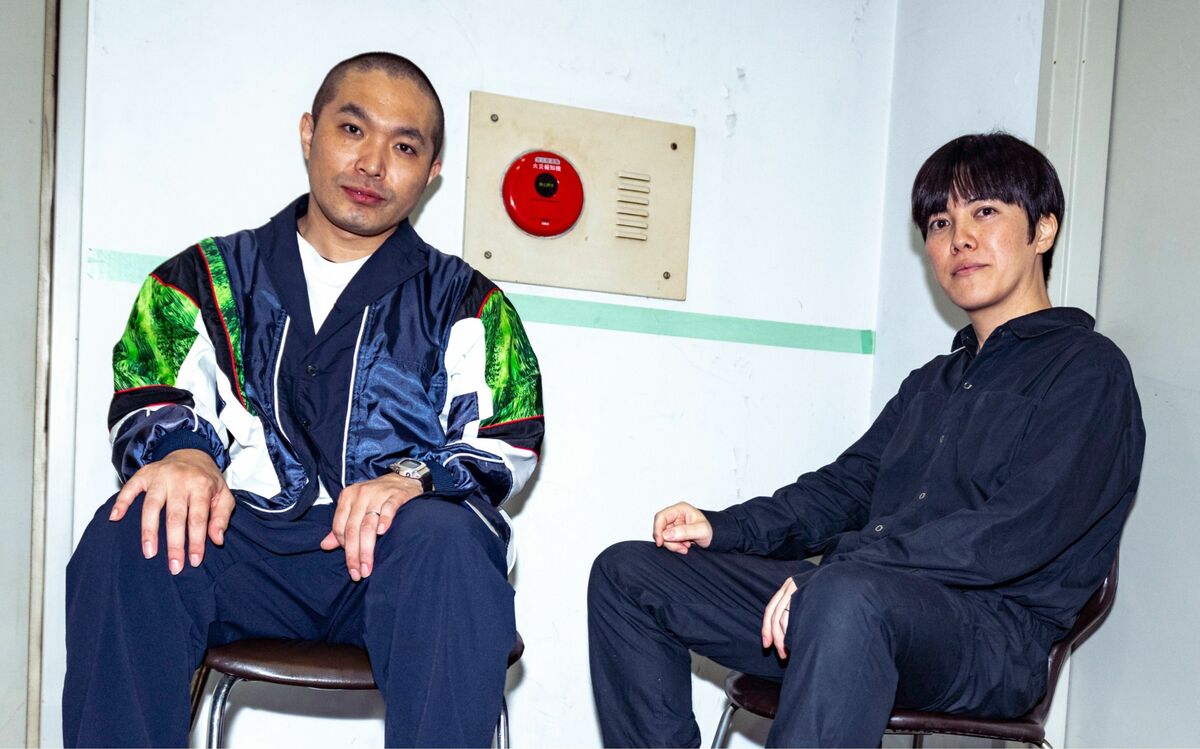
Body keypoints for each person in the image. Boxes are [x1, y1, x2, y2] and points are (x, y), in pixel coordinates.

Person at [588, 132, 1145, 748]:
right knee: (629, 574)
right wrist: (724, 527)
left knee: (845, 594)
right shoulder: (933, 382)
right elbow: (844, 490)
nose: (959, 238)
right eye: (940, 223)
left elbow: (1014, 532)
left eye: (984, 212)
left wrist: (846, 568)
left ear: (1043, 229)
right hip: (858, 603)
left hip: (991, 638)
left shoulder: (1088, 371)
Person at [63, 52, 543, 748]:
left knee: (447, 538)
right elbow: (152, 386)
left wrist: (412, 478)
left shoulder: (468, 303)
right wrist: (185, 454)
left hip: (399, 566)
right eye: (352, 129)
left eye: (404, 147)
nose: (373, 163)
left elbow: (509, 438)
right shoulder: (204, 277)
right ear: (309, 133)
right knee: (133, 529)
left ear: (431, 172)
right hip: (243, 552)